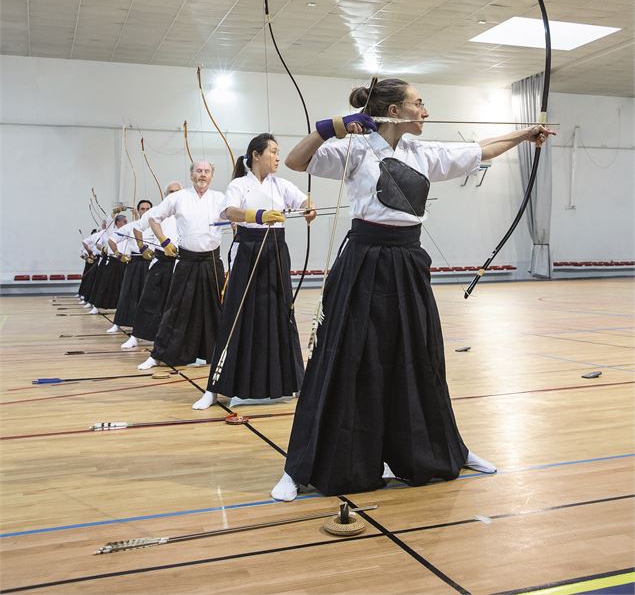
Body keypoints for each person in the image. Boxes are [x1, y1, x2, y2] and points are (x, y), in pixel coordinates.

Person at [271, 78, 555, 501]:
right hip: (363, 263)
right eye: (417, 103)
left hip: (407, 265)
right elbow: (296, 160)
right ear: (393, 110)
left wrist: (524, 133)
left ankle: (446, 450)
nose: (425, 110)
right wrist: (333, 126)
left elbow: (480, 149)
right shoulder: (355, 149)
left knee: (419, 358)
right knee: (344, 357)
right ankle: (303, 466)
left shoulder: (424, 152)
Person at [192, 134, 315, 411]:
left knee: (280, 314)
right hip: (248, 251)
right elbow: (228, 211)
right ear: (256, 155)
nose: (278, 157)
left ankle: (289, 382)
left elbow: (303, 202)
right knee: (236, 315)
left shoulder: (281, 184)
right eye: (273, 151)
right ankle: (214, 389)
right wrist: (257, 216)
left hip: (275, 253)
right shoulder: (239, 184)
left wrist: (309, 208)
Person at [137, 162, 225, 371]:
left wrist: (235, 222)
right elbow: (153, 218)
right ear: (191, 174)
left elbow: (236, 217)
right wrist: (165, 241)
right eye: (198, 171)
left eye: (207, 171)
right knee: (176, 307)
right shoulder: (177, 197)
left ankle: (216, 354)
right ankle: (159, 354)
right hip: (186, 261)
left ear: (212, 175)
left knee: (216, 309)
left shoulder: (220, 198)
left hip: (212, 261)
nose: (202, 175)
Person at [122, 181, 183, 350]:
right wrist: (142, 247)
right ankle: (136, 336)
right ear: (165, 194)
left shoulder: (188, 210)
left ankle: (174, 341)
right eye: (171, 191)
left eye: (178, 191)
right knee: (150, 300)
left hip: (183, 261)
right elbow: (137, 228)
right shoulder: (157, 211)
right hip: (162, 261)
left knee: (179, 304)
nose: (174, 194)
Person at [106, 200, 153, 335]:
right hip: (135, 263)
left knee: (150, 295)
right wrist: (118, 254)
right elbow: (112, 240)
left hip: (152, 262)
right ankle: (118, 323)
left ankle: (148, 327)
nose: (145, 211)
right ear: (138, 211)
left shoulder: (157, 225)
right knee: (128, 293)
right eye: (142, 209)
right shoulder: (130, 226)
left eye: (147, 208)